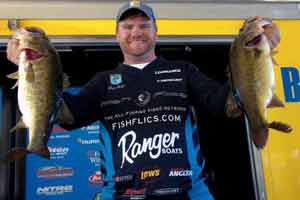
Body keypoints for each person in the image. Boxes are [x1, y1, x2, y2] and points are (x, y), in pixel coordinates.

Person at [6, 1, 237, 200]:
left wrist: (253, 57)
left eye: (144, 26)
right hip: (118, 195)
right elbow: (67, 116)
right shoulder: (103, 82)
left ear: (156, 33)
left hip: (189, 193)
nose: (136, 32)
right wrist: (30, 65)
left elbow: (227, 106)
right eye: (127, 27)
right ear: (117, 35)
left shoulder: (184, 71)